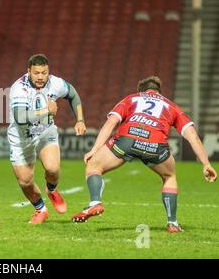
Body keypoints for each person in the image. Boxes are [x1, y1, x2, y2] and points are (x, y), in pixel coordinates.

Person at [72, 76, 217, 232]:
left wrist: (94, 149)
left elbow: (111, 123)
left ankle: (95, 203)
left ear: (141, 90)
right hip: (155, 145)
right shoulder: (172, 106)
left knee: (94, 166)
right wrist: (206, 164)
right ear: (159, 92)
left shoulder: (132, 98)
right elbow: (193, 136)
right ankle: (172, 223)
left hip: (127, 140)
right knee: (169, 176)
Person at [8, 54, 86, 223]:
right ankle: (40, 209)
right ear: (28, 71)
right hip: (21, 139)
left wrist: (80, 120)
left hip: (45, 133)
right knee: (25, 181)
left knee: (52, 169)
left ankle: (52, 190)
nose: (41, 77)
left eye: (44, 73)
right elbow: (20, 117)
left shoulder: (54, 82)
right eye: (36, 73)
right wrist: (46, 110)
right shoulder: (19, 89)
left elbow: (72, 94)